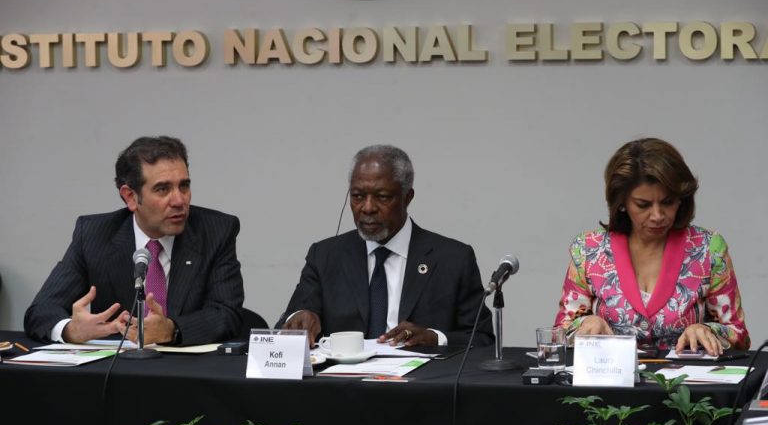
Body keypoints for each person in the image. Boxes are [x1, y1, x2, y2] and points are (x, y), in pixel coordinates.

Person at [24, 136, 244, 345]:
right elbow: (41, 310)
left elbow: (226, 314)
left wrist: (171, 329)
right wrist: (71, 330)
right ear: (130, 197)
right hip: (117, 374)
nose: (179, 200)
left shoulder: (215, 231)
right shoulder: (94, 235)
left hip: (188, 374)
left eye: (184, 186)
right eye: (162, 189)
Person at [276, 145, 494, 347]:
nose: (367, 208)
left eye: (382, 197)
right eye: (358, 196)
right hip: (340, 385)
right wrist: (299, 317)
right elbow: (286, 325)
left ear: (407, 197)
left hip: (420, 384)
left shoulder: (452, 259)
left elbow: (482, 338)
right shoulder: (325, 256)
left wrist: (434, 337)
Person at [555, 138, 749, 355]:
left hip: (685, 385)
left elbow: (738, 334)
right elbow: (559, 333)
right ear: (621, 203)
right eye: (643, 205)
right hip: (609, 384)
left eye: (667, 202)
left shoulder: (708, 249)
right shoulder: (589, 250)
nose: (657, 216)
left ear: (681, 199)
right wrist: (585, 324)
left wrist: (706, 330)